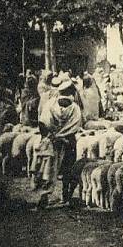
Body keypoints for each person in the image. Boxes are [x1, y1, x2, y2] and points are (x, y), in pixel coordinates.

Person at [33, 79, 83, 208]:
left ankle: (44, 197)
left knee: (48, 170)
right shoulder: (75, 108)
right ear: (71, 92)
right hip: (68, 142)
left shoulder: (50, 105)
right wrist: (64, 135)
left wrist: (51, 136)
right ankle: (65, 195)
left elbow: (42, 123)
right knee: (68, 169)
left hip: (52, 141)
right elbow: (76, 126)